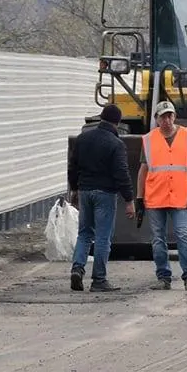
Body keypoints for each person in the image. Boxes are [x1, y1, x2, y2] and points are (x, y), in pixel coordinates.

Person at [67, 103, 134, 291]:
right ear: (117, 122)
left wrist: (75, 190)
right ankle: (99, 280)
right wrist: (129, 199)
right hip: (105, 194)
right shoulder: (116, 144)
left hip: (85, 192)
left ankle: (77, 268)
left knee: (84, 234)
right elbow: (121, 173)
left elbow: (73, 167)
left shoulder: (83, 139)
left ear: (101, 118)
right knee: (103, 237)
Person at [134, 101, 187, 292]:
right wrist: (139, 198)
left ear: (175, 117)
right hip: (156, 197)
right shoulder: (149, 140)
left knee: (183, 235)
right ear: (156, 119)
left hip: (180, 196)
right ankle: (163, 277)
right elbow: (143, 170)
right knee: (158, 238)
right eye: (163, 116)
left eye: (170, 116)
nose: (167, 120)